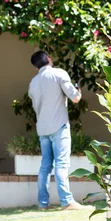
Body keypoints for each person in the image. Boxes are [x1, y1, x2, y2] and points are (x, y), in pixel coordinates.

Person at [28, 50, 85, 210]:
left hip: (43, 129)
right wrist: (78, 92)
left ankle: (42, 204)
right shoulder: (58, 73)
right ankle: (66, 201)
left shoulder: (33, 83)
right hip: (59, 126)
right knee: (61, 163)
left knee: (45, 166)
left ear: (35, 66)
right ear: (48, 59)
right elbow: (74, 98)